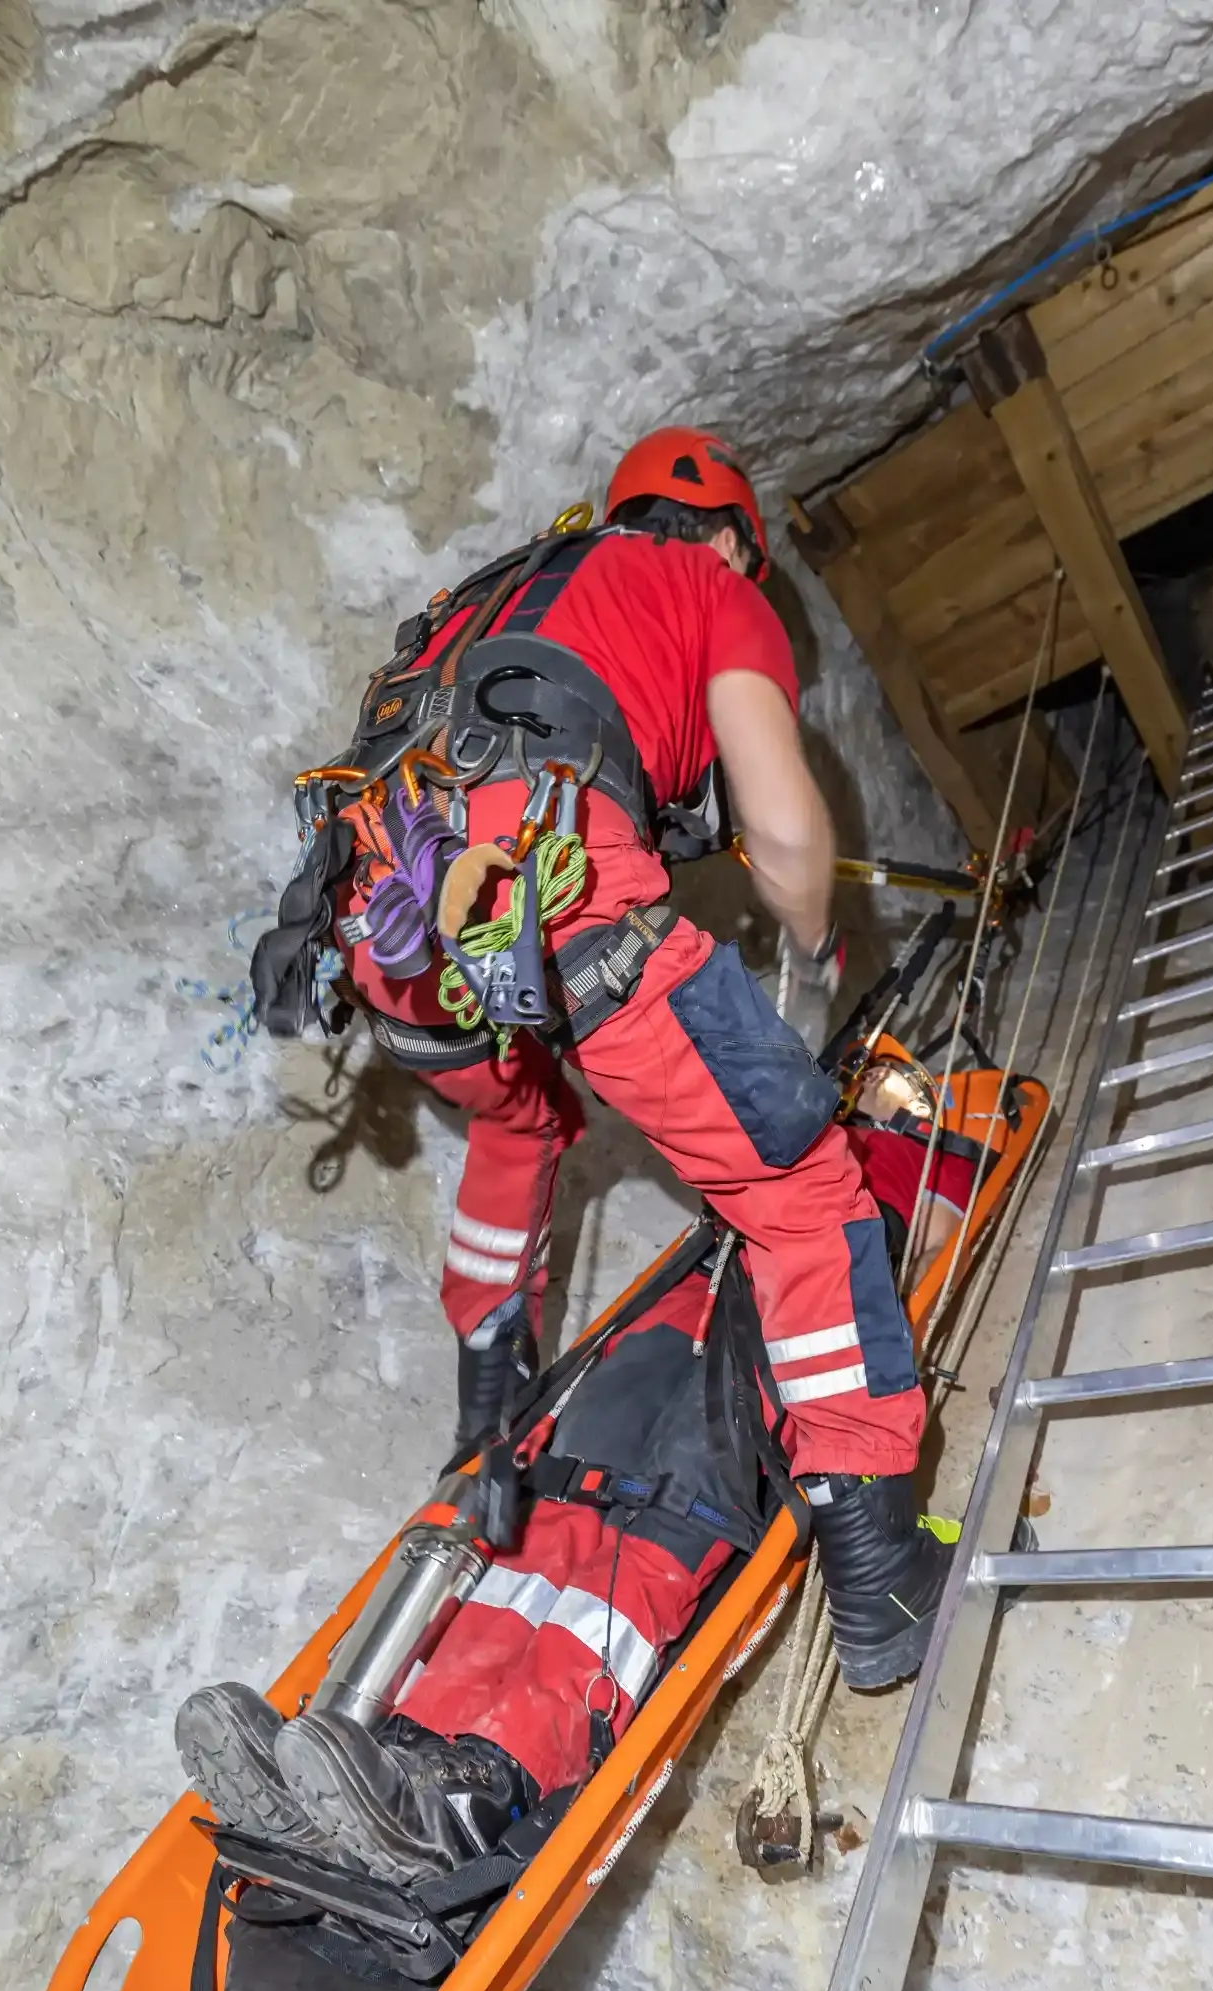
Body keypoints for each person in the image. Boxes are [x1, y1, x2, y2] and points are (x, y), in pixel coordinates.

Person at [179, 428, 957, 1870]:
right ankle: (876, 1570)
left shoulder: (502, 590)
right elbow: (787, 833)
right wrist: (809, 948)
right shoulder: (706, 586)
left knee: (519, 1119)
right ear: (728, 538)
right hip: (552, 887)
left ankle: (489, 1399)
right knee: (799, 1191)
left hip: (391, 932)